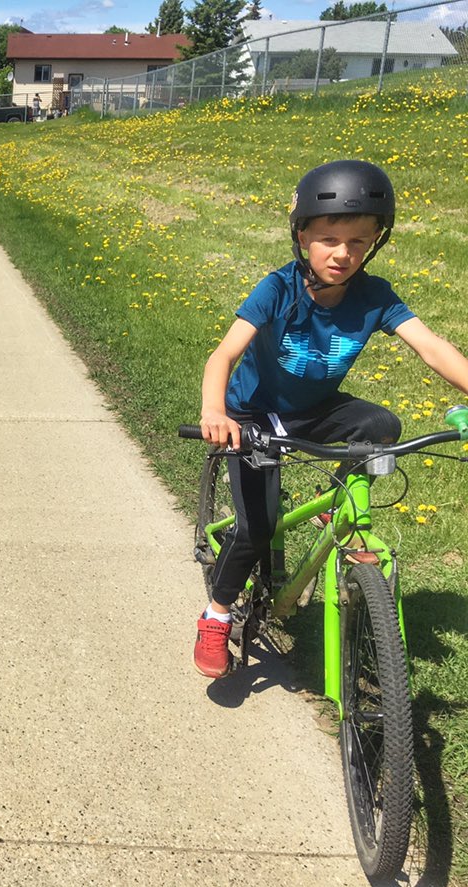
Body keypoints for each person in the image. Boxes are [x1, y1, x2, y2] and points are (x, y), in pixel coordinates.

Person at [194, 159, 468, 678]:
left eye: (359, 242)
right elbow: (223, 356)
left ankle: (334, 502)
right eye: (328, 239)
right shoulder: (277, 289)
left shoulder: (374, 296)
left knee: (382, 426)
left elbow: (432, 347)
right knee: (258, 527)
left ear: (375, 243)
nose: (343, 254)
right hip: (251, 414)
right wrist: (215, 411)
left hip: (313, 410)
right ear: (301, 237)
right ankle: (216, 615)